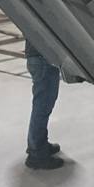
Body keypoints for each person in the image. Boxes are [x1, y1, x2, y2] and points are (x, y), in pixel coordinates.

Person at [24, 40, 63, 170]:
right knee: (42, 108)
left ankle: (39, 145)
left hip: (39, 57)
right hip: (43, 58)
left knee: (43, 106)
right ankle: (37, 154)